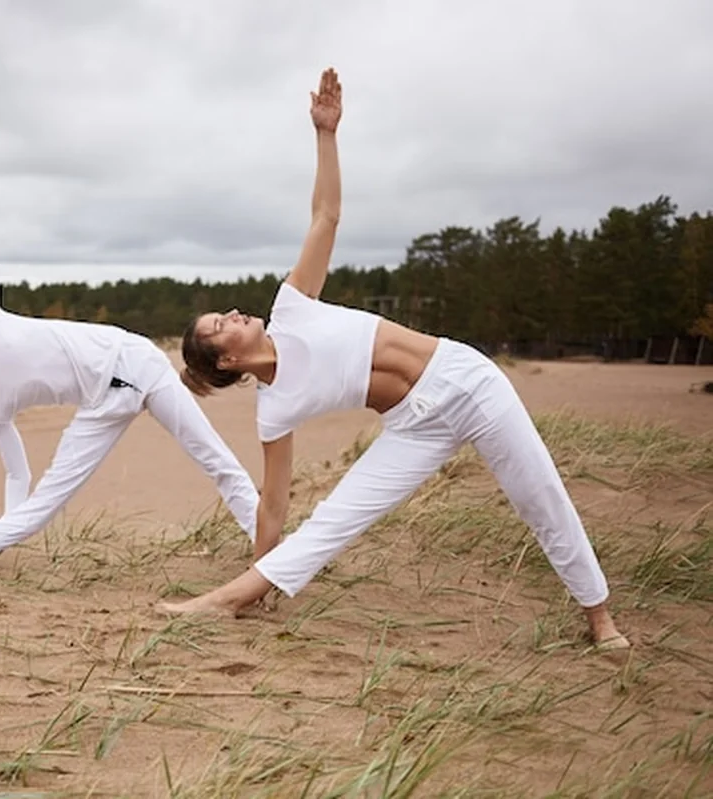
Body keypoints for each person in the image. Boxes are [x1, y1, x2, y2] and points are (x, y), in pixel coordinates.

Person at [156, 68, 628, 651]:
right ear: (225, 362)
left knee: (538, 494)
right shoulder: (273, 408)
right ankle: (236, 596)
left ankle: (599, 616)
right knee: (332, 518)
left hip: (467, 382)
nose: (231, 315)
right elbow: (274, 504)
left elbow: (325, 216)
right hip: (414, 427)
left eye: (225, 312)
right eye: (219, 327)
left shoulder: (292, 306)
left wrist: (325, 134)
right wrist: (265, 565)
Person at [0, 121, 260, 565]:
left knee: (216, 460)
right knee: (47, 499)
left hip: (137, 361)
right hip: (99, 407)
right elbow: (18, 473)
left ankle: (270, 546)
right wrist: (12, 533)